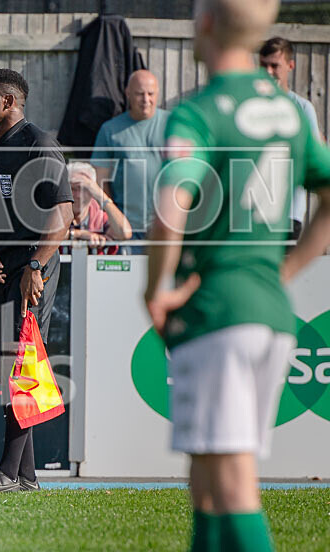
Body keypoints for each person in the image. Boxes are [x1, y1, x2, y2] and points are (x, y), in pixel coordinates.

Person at [145, 0, 330, 549]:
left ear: (204, 24)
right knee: (206, 482)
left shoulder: (199, 112)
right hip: (268, 312)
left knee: (233, 485)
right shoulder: (291, 113)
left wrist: (156, 289)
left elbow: (172, 204)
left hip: (218, 314)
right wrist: (286, 269)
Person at [0, 69, 74, 493]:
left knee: (22, 364)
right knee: (7, 365)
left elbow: (63, 214)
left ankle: (7, 472)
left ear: (8, 101)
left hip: (31, 268)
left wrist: (36, 267)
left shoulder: (40, 144)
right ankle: (26, 476)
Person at [91, 70, 169, 250]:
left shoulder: (173, 124)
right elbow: (100, 180)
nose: (146, 99)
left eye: (150, 94)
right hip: (127, 229)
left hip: (166, 226)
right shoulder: (110, 130)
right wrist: (112, 218)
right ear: (128, 94)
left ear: (158, 93)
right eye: (139, 94)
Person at [259, 36, 324, 239]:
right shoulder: (249, 106)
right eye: (263, 65)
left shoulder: (303, 109)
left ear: (290, 66)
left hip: (287, 213)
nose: (268, 72)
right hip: (251, 211)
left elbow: (314, 160)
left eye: (274, 66)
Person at [67, 162, 132, 254]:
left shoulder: (99, 217)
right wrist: (80, 234)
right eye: (72, 189)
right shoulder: (55, 213)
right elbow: (48, 233)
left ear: (92, 191)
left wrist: (101, 195)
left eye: (84, 188)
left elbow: (124, 233)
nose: (78, 195)